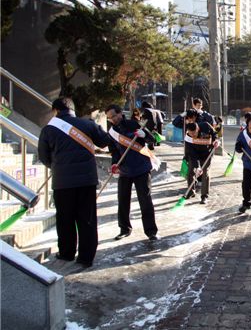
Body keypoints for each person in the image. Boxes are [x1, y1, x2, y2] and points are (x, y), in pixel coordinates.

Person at [38, 97, 113, 268]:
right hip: (87, 180)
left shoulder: (49, 130)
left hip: (62, 182)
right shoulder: (87, 124)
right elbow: (105, 141)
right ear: (73, 110)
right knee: (87, 219)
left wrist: (58, 167)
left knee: (65, 219)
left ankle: (66, 252)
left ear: (55, 111)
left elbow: (44, 157)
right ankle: (86, 257)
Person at [105, 104, 160, 241]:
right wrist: (115, 163)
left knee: (145, 200)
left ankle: (151, 231)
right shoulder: (111, 132)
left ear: (119, 113)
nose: (112, 120)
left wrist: (144, 135)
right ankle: (124, 229)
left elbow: (152, 139)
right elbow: (114, 151)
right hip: (125, 170)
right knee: (123, 200)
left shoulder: (133, 123)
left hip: (141, 167)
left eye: (113, 116)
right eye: (109, 118)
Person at [183, 109, 220, 204]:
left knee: (205, 173)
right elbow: (191, 153)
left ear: (197, 129)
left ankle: (204, 196)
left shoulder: (206, 126)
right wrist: (197, 166)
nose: (193, 136)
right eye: (190, 134)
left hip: (207, 153)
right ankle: (191, 191)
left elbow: (214, 133)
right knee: (191, 171)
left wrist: (216, 140)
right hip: (195, 154)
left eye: (194, 133)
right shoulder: (188, 137)